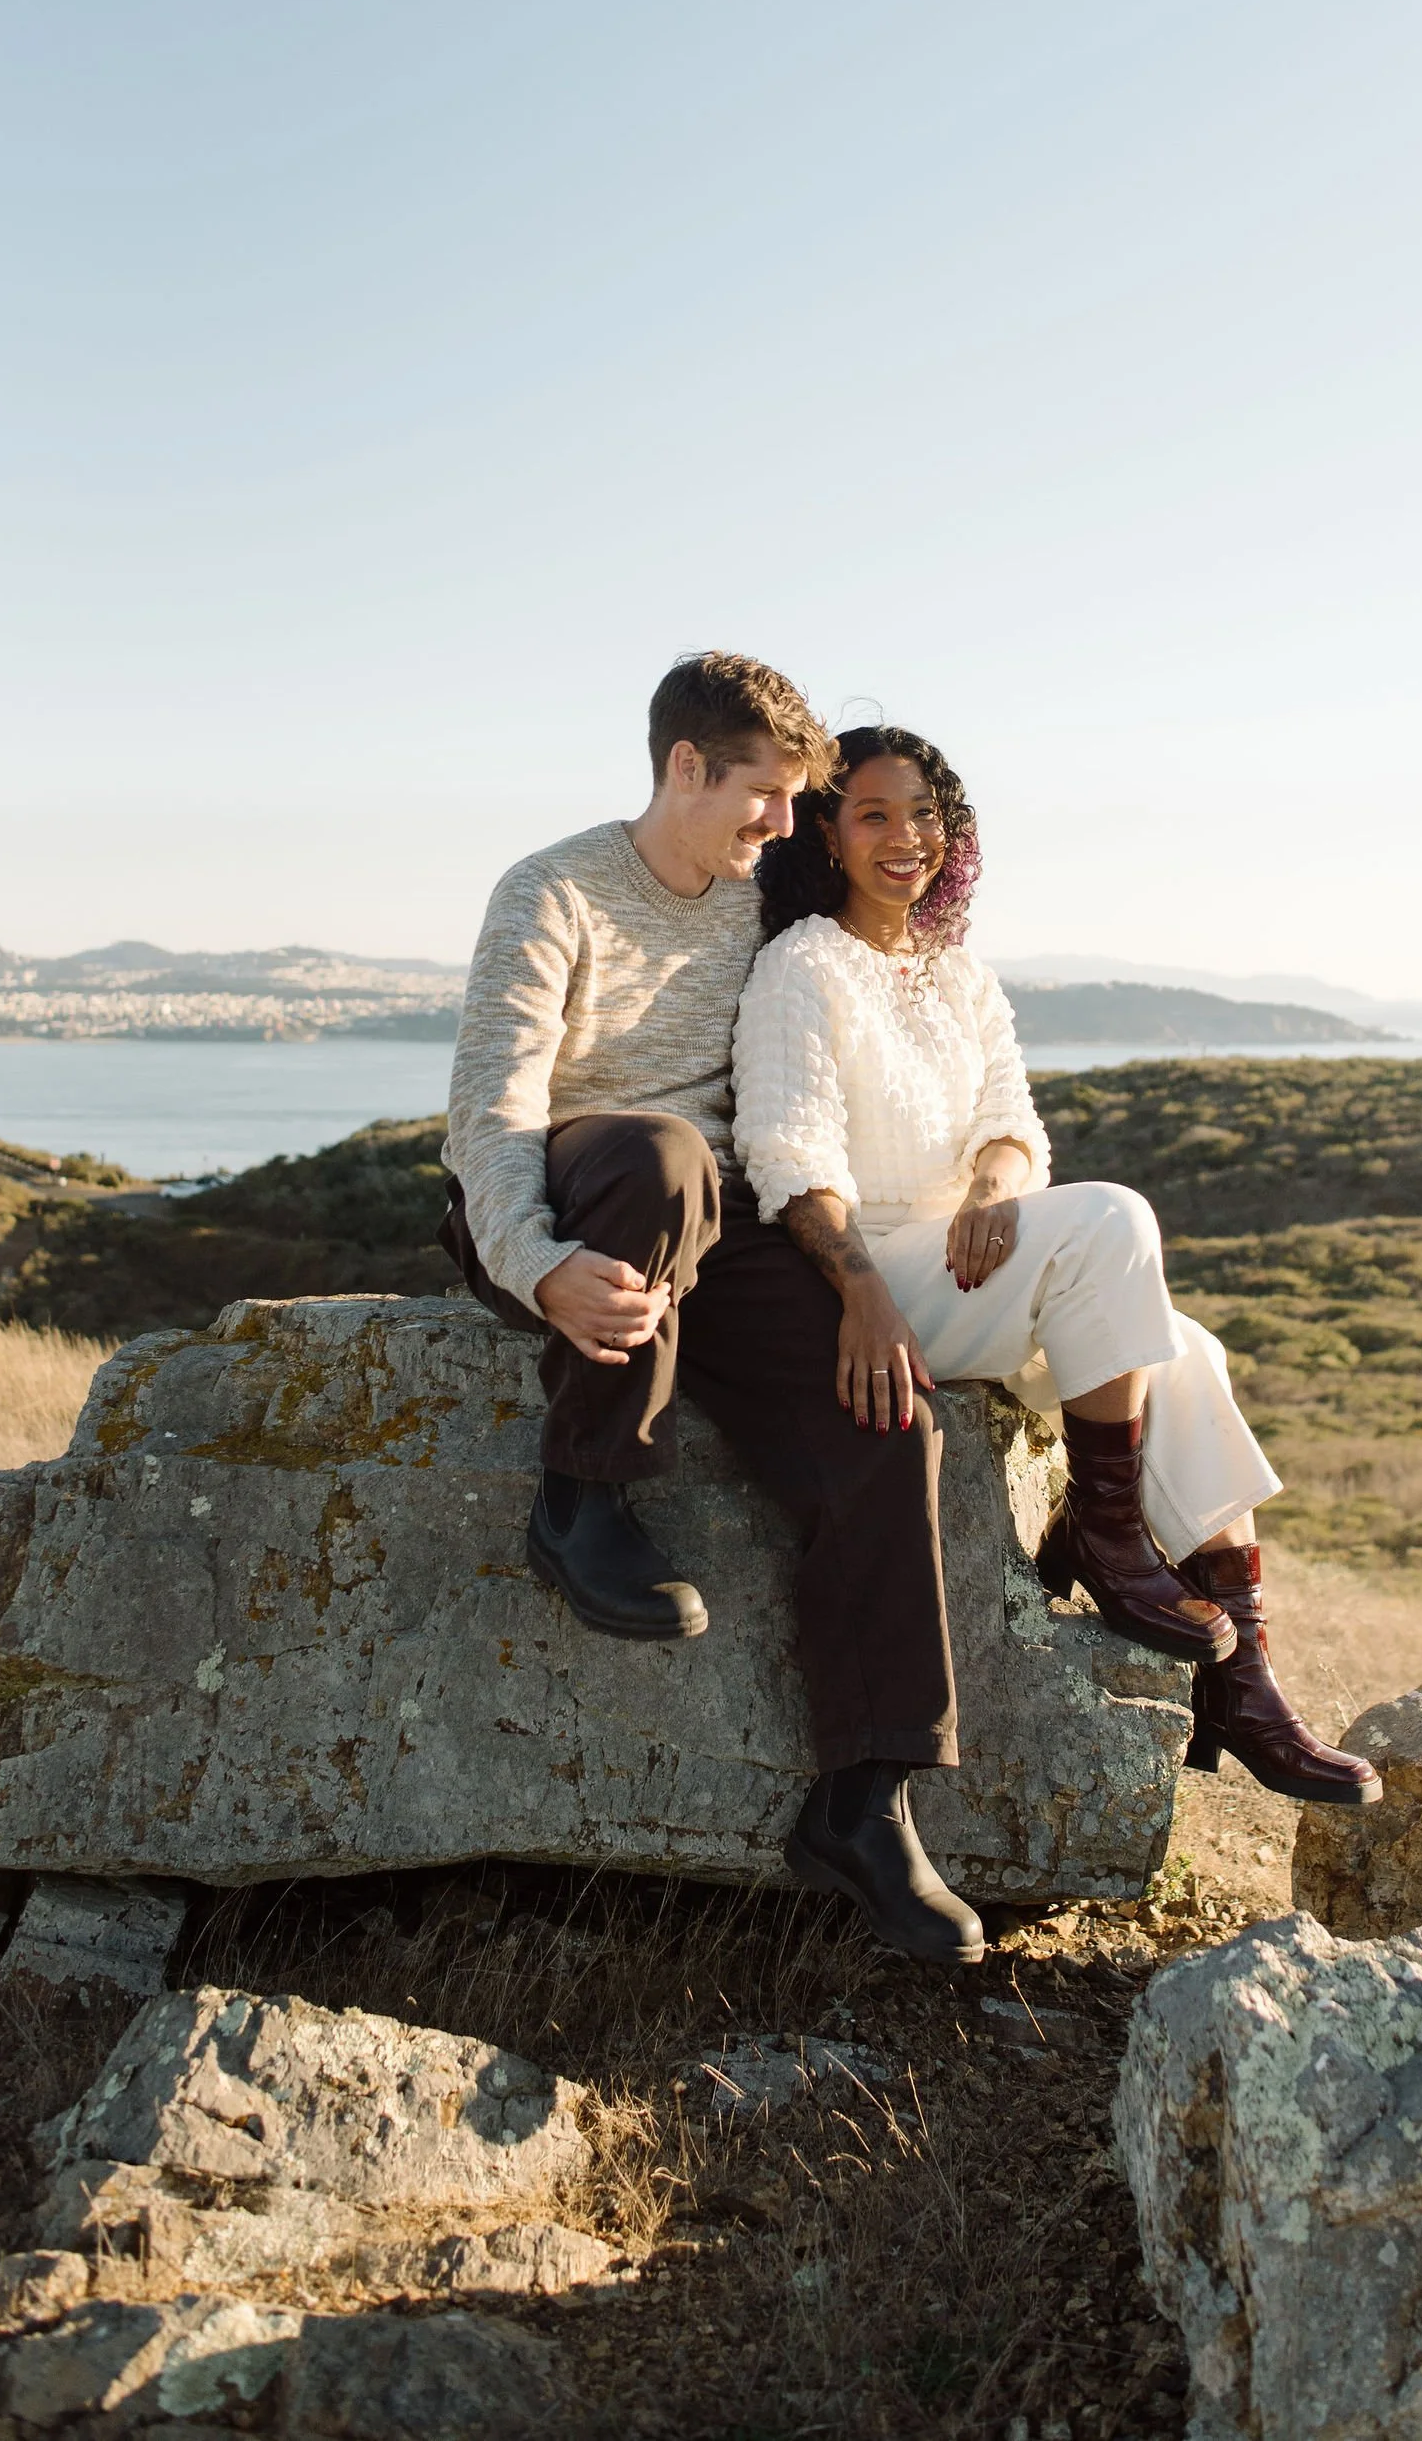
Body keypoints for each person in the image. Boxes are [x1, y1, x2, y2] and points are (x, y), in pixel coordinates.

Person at [439, 652, 988, 1968]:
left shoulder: (765, 902)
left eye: (798, 801)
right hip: (576, 1192)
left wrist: (869, 1259)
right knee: (664, 1152)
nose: (785, 824)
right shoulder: (553, 890)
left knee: (887, 1424)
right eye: (766, 794)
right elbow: (492, 1107)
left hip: (721, 1228)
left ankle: (862, 1803)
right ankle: (584, 1495)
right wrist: (535, 1264)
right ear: (685, 765)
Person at [732, 724, 1380, 1811]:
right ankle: (1112, 1540)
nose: (905, 837)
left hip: (973, 1255)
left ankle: (1244, 1681)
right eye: (873, 815)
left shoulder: (958, 973)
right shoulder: (800, 966)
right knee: (1113, 1217)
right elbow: (785, 1155)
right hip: (876, 1278)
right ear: (827, 836)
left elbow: (1013, 1123)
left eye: (924, 814)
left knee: (1185, 1348)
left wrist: (995, 1187)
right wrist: (860, 1292)